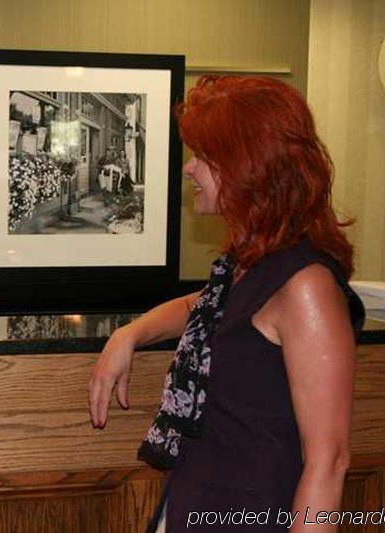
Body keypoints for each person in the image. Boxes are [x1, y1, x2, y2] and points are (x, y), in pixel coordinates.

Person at [88, 76, 365, 532]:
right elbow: (200, 307)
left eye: (204, 157)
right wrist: (129, 334)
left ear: (248, 164)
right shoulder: (251, 263)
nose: (190, 169)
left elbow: (329, 462)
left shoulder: (306, 287)